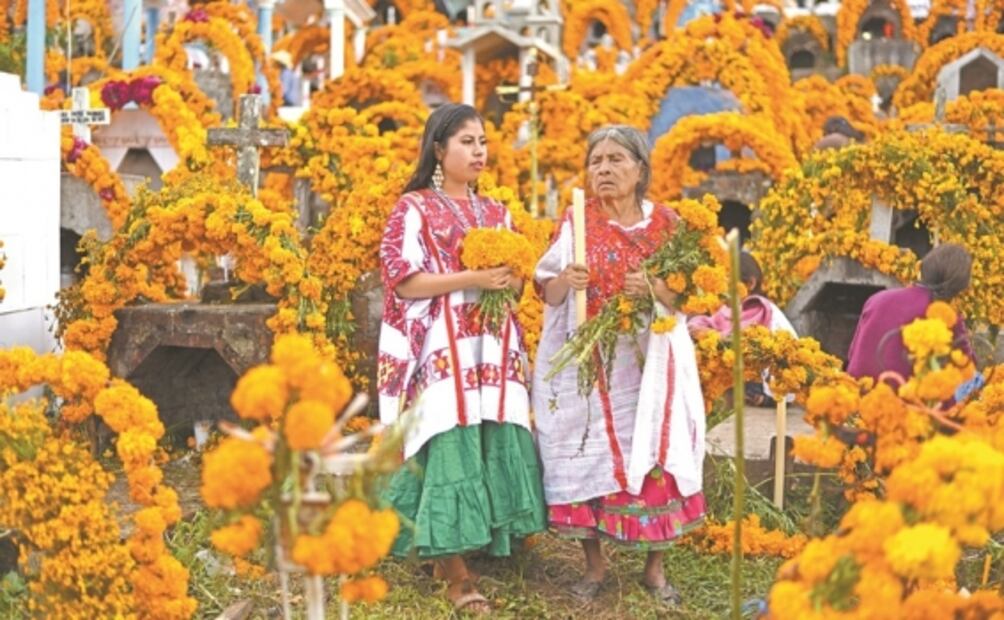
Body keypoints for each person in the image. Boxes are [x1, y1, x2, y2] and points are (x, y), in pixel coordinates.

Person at [378, 103, 547, 615]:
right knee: (448, 435)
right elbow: (403, 281)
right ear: (438, 150)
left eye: (483, 142)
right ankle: (455, 574)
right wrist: (471, 278)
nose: (478, 151)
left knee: (492, 430)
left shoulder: (498, 212)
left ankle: (480, 540)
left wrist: (508, 277)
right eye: (467, 142)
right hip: (441, 345)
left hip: (493, 348)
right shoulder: (414, 209)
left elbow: (519, 283)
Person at [533, 125, 706, 606]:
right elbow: (545, 290)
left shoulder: (668, 223)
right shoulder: (576, 221)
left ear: (640, 169)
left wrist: (654, 291)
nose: (604, 170)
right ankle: (594, 565)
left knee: (653, 450)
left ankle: (655, 569)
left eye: (615, 160)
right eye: (596, 161)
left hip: (648, 362)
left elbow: (690, 294)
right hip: (587, 360)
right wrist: (567, 279)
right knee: (581, 449)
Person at [846, 243, 973, 381]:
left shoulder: (877, 298)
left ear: (923, 269)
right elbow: (969, 372)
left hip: (854, 391)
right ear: (960, 287)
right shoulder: (947, 317)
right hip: (904, 398)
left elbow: (852, 354)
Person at [689, 251, 797, 406]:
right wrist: (696, 326)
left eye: (728, 281)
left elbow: (737, 339)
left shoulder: (757, 305)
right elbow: (710, 322)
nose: (722, 288)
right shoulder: (733, 306)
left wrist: (710, 334)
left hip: (773, 385)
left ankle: (760, 398)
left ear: (750, 284)